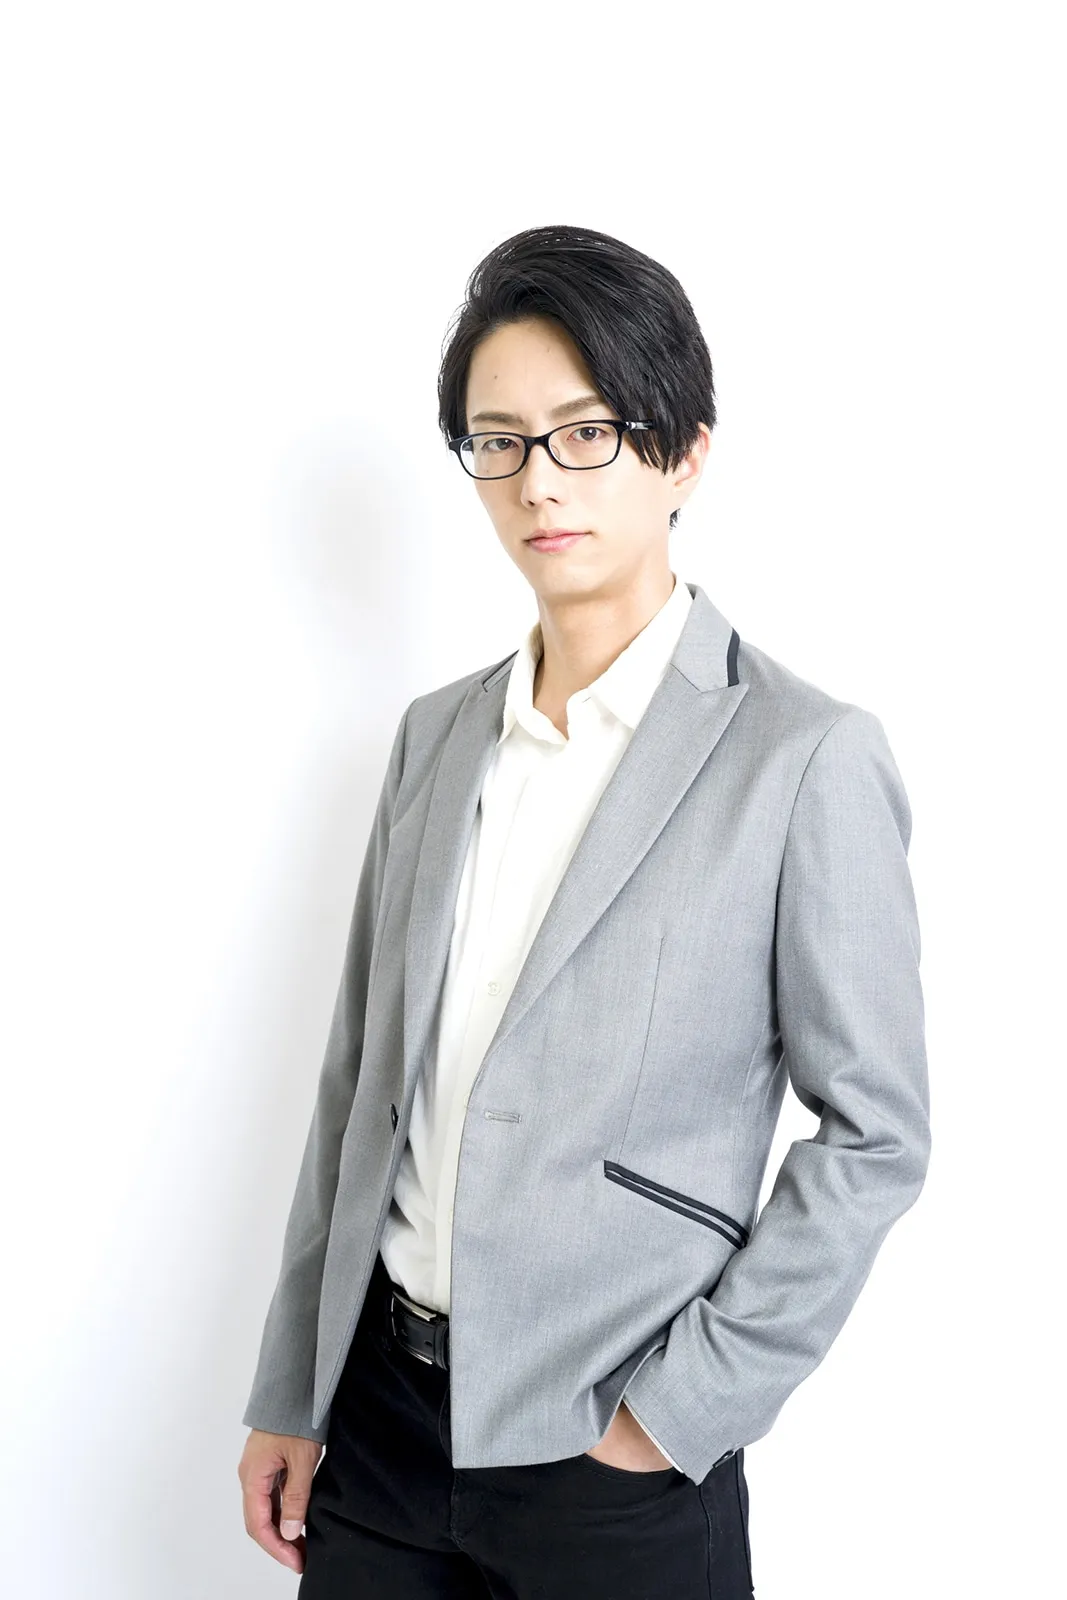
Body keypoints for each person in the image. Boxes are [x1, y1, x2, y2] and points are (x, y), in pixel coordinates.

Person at [237, 224, 931, 1597]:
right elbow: (355, 1089)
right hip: (376, 1433)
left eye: (585, 432)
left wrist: (673, 1416)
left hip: (611, 1454)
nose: (537, 481)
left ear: (684, 452)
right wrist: (292, 1386)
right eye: (498, 442)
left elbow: (876, 1133)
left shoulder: (801, 757)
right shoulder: (435, 739)